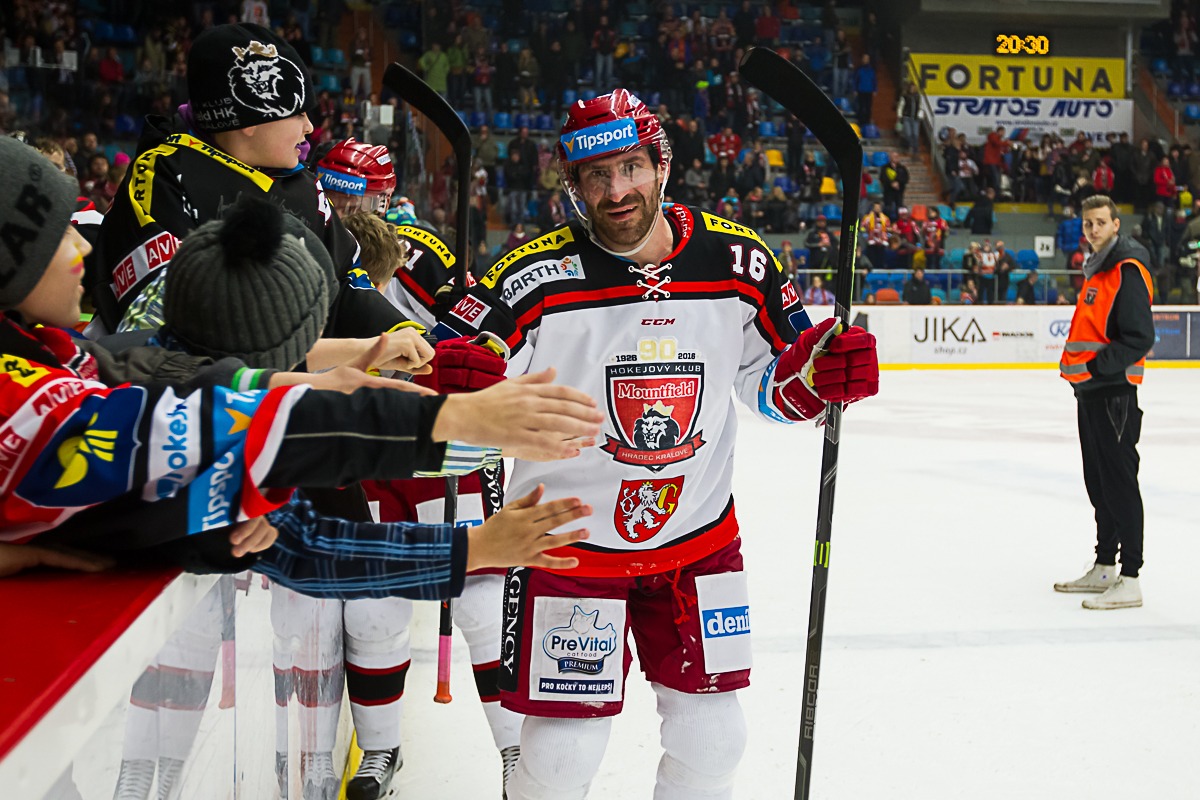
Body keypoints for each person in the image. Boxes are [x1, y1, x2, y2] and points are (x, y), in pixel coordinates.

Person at [434, 89, 879, 800]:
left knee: (715, 738)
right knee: (561, 754)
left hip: (698, 540)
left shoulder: (739, 261)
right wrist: (459, 384)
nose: (617, 191)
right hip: (568, 548)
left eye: (631, 167)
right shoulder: (531, 277)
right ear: (573, 185)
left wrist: (821, 377)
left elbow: (773, 385)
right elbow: (463, 375)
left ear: (661, 165)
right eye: (596, 176)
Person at [0, 139, 605, 567]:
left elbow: (161, 368)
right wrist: (449, 424)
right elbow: (251, 448)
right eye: (57, 233)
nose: (83, 245)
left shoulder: (56, 354)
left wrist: (318, 379)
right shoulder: (25, 399)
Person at [95, 23, 406, 344]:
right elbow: (160, 320)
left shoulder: (305, 186)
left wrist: (404, 333)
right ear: (251, 119)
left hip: (285, 368)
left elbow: (346, 282)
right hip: (175, 372)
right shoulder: (164, 173)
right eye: (298, 113)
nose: (309, 127)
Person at [1055, 195, 1155, 610]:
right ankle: (1104, 566)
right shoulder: (1098, 269)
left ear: (1116, 224)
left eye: (1100, 222)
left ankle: (1130, 577)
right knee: (1099, 482)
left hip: (1114, 393)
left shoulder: (1126, 269)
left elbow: (1139, 337)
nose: (1093, 229)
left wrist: (1097, 369)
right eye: (1087, 223)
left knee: (1119, 482)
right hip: (1092, 393)